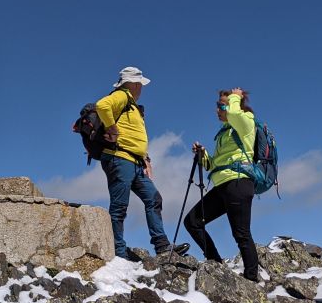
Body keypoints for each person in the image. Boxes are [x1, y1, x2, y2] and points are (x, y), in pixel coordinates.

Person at [96, 66, 182, 261]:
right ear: (134, 84)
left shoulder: (132, 105)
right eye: (140, 84)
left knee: (154, 198)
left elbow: (133, 136)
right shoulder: (122, 96)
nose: (142, 88)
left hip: (134, 161)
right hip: (120, 158)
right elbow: (102, 105)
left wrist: (145, 158)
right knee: (120, 206)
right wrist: (111, 127)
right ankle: (118, 253)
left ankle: (162, 245)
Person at [185, 87, 260, 282]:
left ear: (233, 104)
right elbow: (213, 165)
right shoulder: (224, 132)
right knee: (192, 222)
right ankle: (216, 263)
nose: (216, 109)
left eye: (220, 105)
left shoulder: (246, 121)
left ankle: (252, 278)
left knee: (241, 234)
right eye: (217, 105)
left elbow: (235, 114)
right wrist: (203, 155)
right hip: (222, 185)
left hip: (238, 182)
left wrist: (236, 96)